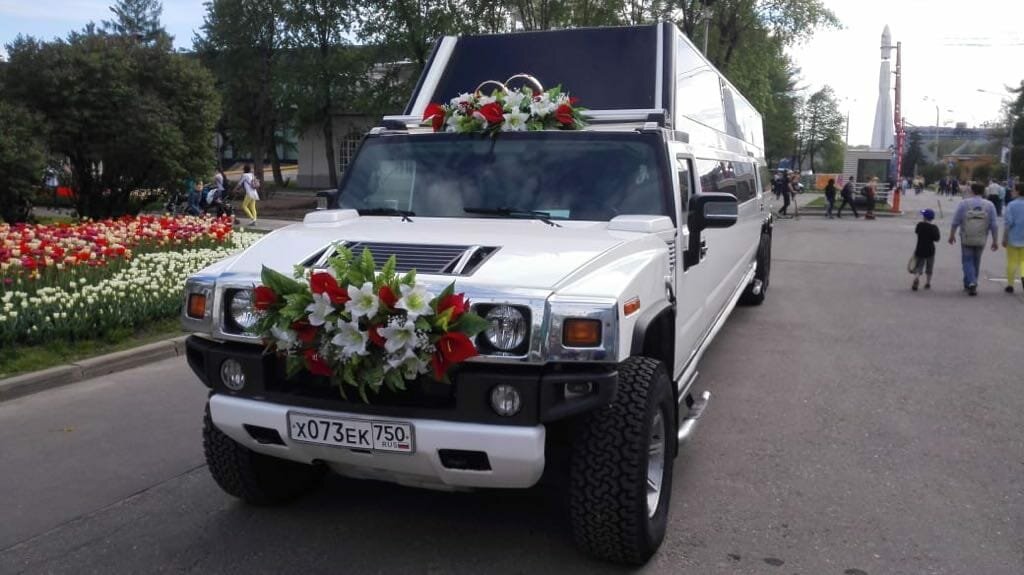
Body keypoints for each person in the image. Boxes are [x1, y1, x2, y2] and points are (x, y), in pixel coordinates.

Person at [949, 183, 998, 296]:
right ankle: (971, 283)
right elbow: (994, 225)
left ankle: (971, 282)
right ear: (983, 192)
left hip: (966, 236)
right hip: (981, 237)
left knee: (967, 260)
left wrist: (952, 235)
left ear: (971, 191)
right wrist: (995, 240)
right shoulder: (990, 205)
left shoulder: (964, 203)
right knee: (976, 260)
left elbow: (955, 221)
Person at [911, 208, 940, 291]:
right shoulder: (934, 228)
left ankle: (916, 278)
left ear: (924, 217)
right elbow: (937, 238)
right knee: (929, 266)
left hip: (920, 248)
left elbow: (916, 232)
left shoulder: (920, 225)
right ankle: (928, 282)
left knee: (919, 265)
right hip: (930, 250)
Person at [1002, 183, 1024, 293]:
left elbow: (1008, 223)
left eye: (1013, 190)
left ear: (1018, 191)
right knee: (1023, 261)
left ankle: (1010, 285)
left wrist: (1004, 238)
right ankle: (1023, 275)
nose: (1011, 191)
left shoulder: (1011, 205)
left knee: (1012, 261)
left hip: (1013, 237)